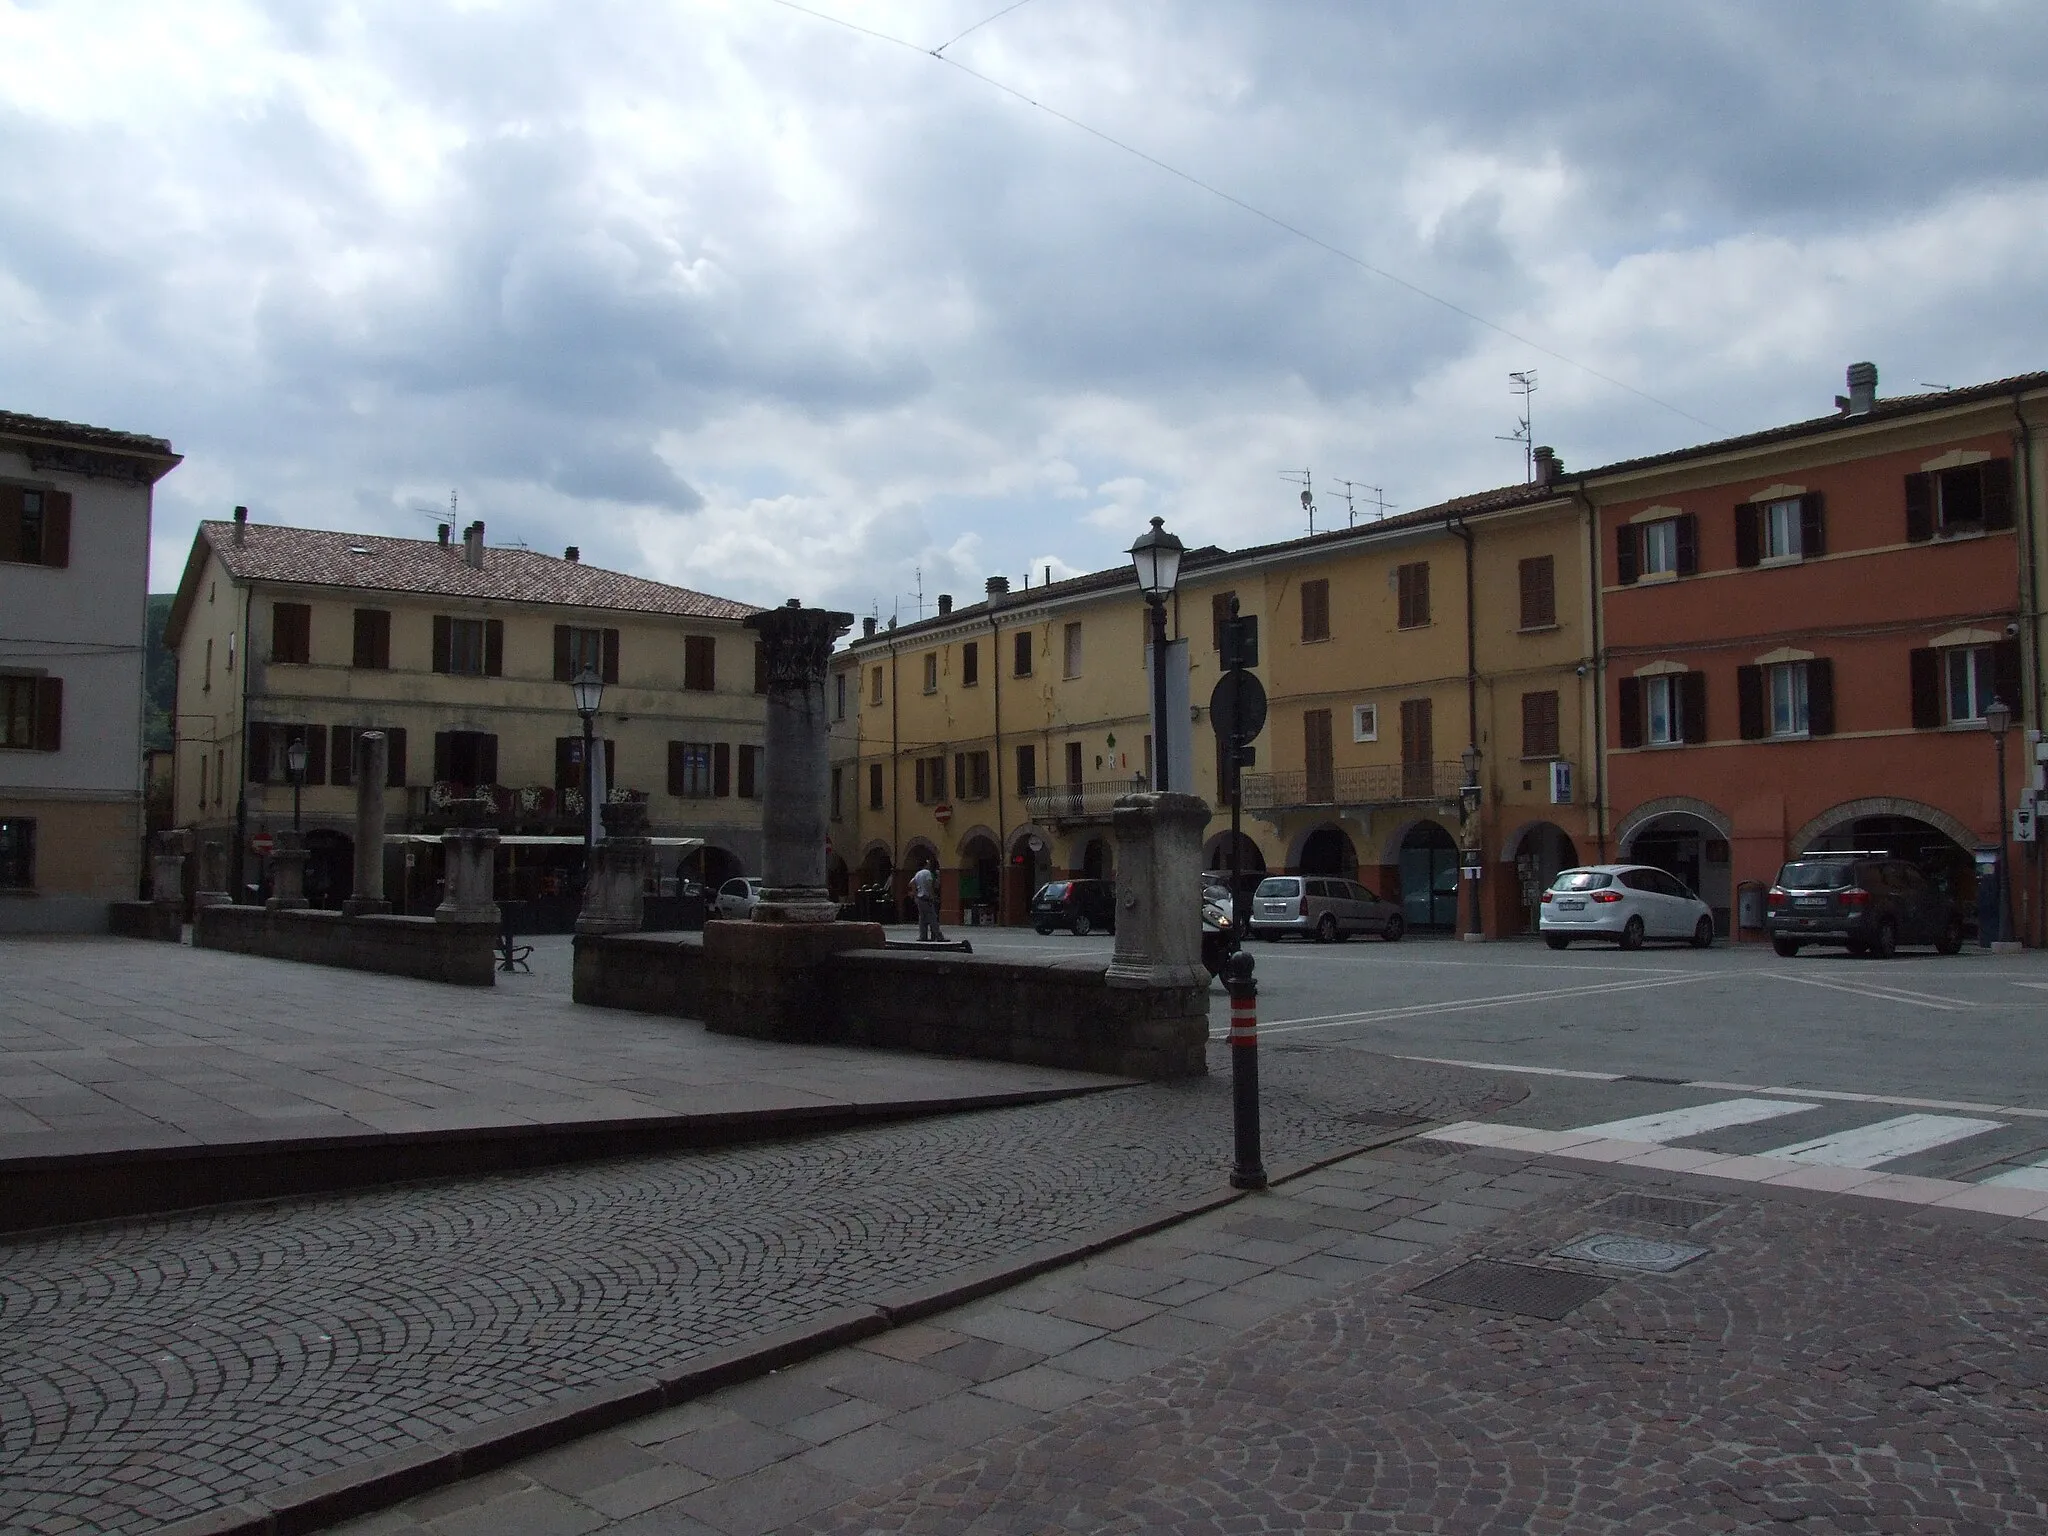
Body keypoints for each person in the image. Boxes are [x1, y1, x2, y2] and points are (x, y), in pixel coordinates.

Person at [911, 858, 943, 942]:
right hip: (926, 898)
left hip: (919, 898)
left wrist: (915, 895)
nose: (929, 864)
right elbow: (930, 884)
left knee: (922, 919)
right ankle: (939, 936)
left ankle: (923, 936)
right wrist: (931, 895)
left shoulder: (918, 873)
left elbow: (911, 883)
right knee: (932, 917)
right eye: (928, 863)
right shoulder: (927, 873)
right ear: (926, 864)